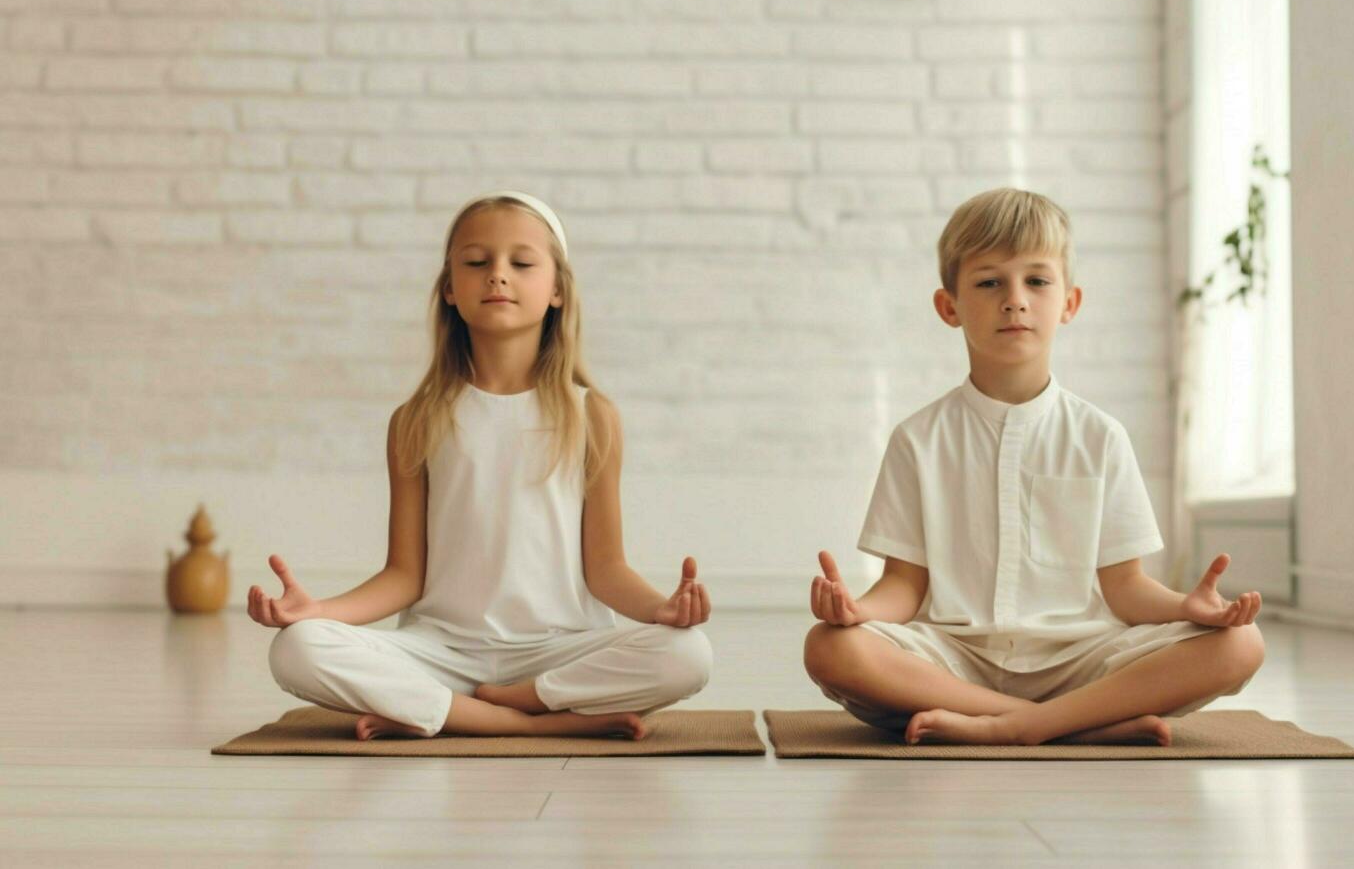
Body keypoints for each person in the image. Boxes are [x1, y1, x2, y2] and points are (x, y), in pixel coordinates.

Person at [803, 187, 1264, 746]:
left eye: (1037, 281)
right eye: (989, 282)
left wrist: (1185, 608)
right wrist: (856, 609)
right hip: (955, 660)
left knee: (1241, 644)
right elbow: (904, 585)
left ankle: (1022, 725)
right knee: (830, 645)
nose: (1014, 299)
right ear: (950, 307)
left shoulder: (1100, 437)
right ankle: (1063, 723)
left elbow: (1124, 589)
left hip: (1081, 660)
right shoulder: (917, 440)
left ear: (1069, 302)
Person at [250, 192, 713, 741]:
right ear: (449, 288)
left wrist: (663, 610)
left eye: (520, 263)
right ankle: (522, 722)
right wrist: (321, 611)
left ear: (558, 290)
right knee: (298, 648)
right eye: (476, 263)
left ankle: (489, 705)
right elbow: (404, 575)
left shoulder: (592, 416)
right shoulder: (416, 420)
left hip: (558, 649)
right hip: (443, 651)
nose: (497, 276)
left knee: (688, 654)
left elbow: (606, 569)